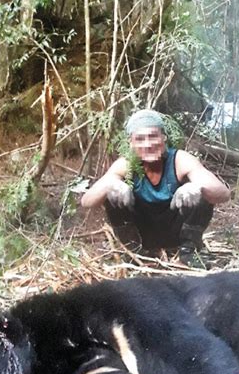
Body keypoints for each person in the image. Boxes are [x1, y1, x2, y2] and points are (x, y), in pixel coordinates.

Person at [81, 109, 230, 264]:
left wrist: (197, 187)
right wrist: (112, 185)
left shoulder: (180, 160)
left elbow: (223, 194)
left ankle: (189, 254)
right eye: (140, 139)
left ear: (163, 138)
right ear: (131, 143)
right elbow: (87, 201)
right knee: (111, 194)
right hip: (143, 234)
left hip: (176, 233)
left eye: (153, 136)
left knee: (202, 192)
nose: (148, 144)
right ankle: (134, 253)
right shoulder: (125, 164)